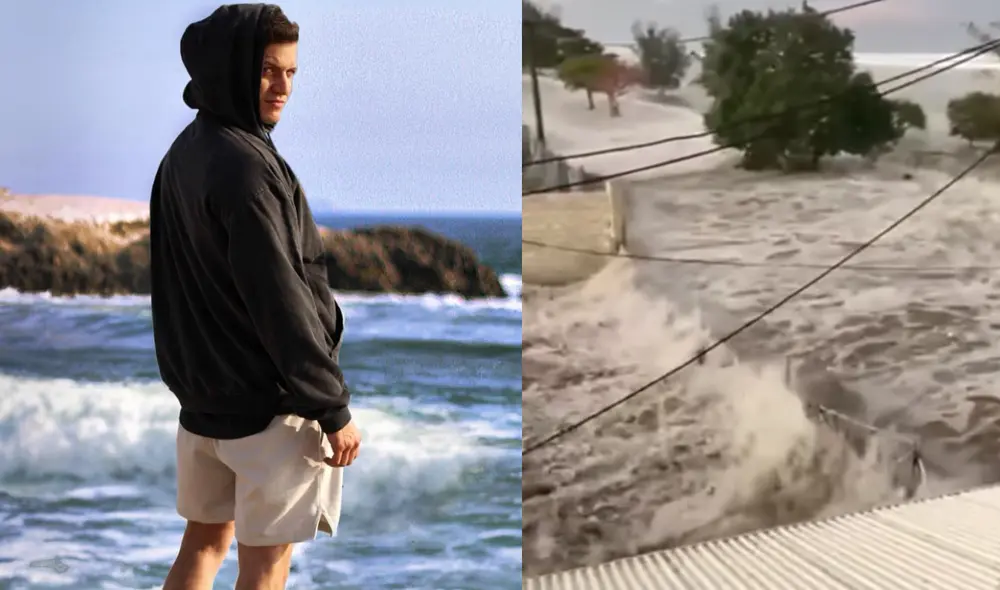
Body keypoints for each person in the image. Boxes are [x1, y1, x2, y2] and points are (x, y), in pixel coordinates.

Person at [148, 5, 361, 589]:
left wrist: (187, 379)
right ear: (233, 68)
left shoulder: (183, 155)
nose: (282, 87)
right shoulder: (247, 168)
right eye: (269, 70)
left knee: (203, 544)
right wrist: (331, 407)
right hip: (268, 409)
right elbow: (280, 298)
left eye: (292, 73)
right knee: (266, 566)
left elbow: (171, 285)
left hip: (205, 405)